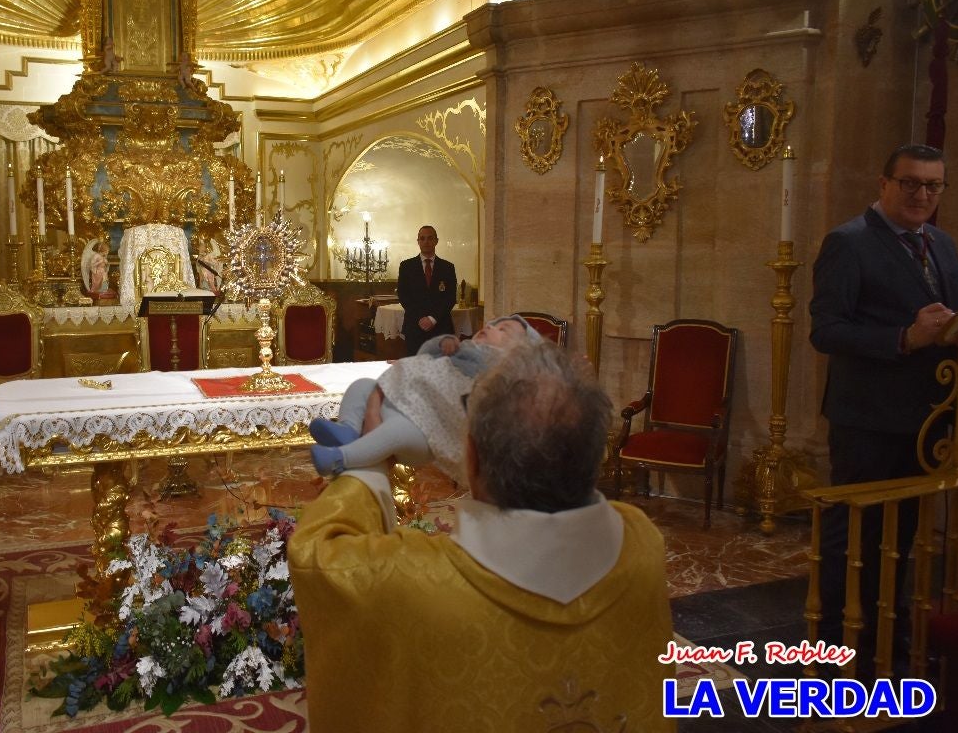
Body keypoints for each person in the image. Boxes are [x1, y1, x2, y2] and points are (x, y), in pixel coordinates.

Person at [289, 342, 674, 732]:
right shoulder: (641, 543)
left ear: (470, 457)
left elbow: (318, 555)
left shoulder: (408, 583)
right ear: (596, 459)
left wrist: (368, 463)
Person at [810, 143, 958, 658]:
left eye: (933, 185)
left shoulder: (941, 244)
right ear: (884, 185)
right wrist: (904, 338)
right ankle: (835, 645)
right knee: (852, 537)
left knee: (901, 541)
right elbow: (826, 330)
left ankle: (888, 636)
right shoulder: (848, 243)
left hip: (927, 422)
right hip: (868, 420)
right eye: (911, 183)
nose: (922, 194)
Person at [308, 314, 542, 485]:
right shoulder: (462, 346)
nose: (490, 327)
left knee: (393, 432)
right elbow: (424, 354)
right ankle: (347, 429)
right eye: (493, 324)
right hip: (401, 395)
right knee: (361, 386)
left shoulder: (500, 370)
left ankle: (340, 458)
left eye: (504, 330)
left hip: (424, 428)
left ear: (518, 352)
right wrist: (442, 343)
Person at [396, 225, 457, 355]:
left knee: (441, 369)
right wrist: (420, 318)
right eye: (422, 238)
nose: (426, 242)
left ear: (436, 241)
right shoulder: (406, 266)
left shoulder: (448, 267)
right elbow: (403, 296)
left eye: (430, 238)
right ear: (418, 241)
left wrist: (433, 319)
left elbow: (450, 298)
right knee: (415, 368)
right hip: (415, 327)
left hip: (441, 327)